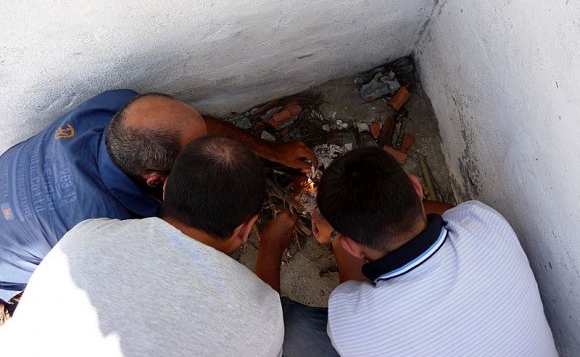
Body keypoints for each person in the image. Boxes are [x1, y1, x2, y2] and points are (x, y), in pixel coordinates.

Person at [0, 89, 316, 311]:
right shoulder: (108, 231)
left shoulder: (120, 109)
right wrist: (264, 246)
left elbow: (194, 127)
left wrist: (274, 151)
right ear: (157, 180)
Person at [0, 136, 298, 356]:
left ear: (165, 188)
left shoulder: (87, 234)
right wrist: (270, 247)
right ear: (247, 229)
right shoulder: (261, 324)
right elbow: (263, 318)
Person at [283, 147, 557, 357]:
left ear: (351, 246)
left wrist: (333, 236)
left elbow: (353, 289)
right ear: (417, 187)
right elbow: (448, 211)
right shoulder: (486, 224)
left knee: (292, 327)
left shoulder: (355, 325)